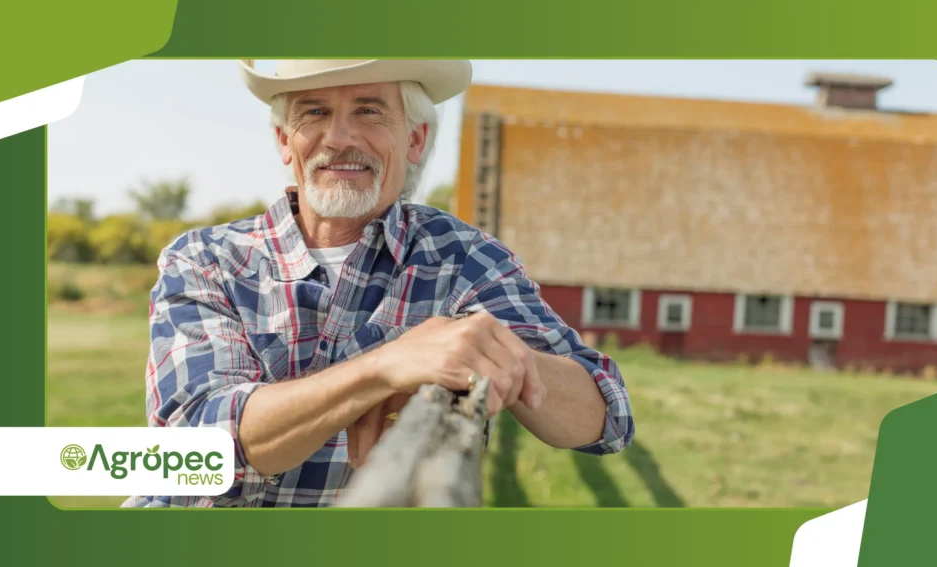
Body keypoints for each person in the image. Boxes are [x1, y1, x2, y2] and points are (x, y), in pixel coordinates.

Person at [123, 60, 633, 508]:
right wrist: (386, 367)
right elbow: (193, 448)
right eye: (314, 113)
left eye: (368, 111)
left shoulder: (462, 259)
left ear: (415, 138)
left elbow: (606, 415)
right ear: (284, 139)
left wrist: (500, 355)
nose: (339, 138)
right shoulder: (206, 259)